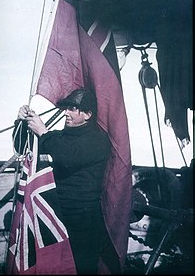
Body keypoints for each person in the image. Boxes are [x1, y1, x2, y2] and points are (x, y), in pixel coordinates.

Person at [13, 88, 120, 274]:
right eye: (67, 108)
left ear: (87, 114)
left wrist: (43, 133)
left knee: (82, 267)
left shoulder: (98, 140)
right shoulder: (60, 136)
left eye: (73, 108)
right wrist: (21, 122)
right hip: (57, 215)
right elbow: (22, 146)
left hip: (84, 219)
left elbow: (68, 157)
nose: (67, 113)